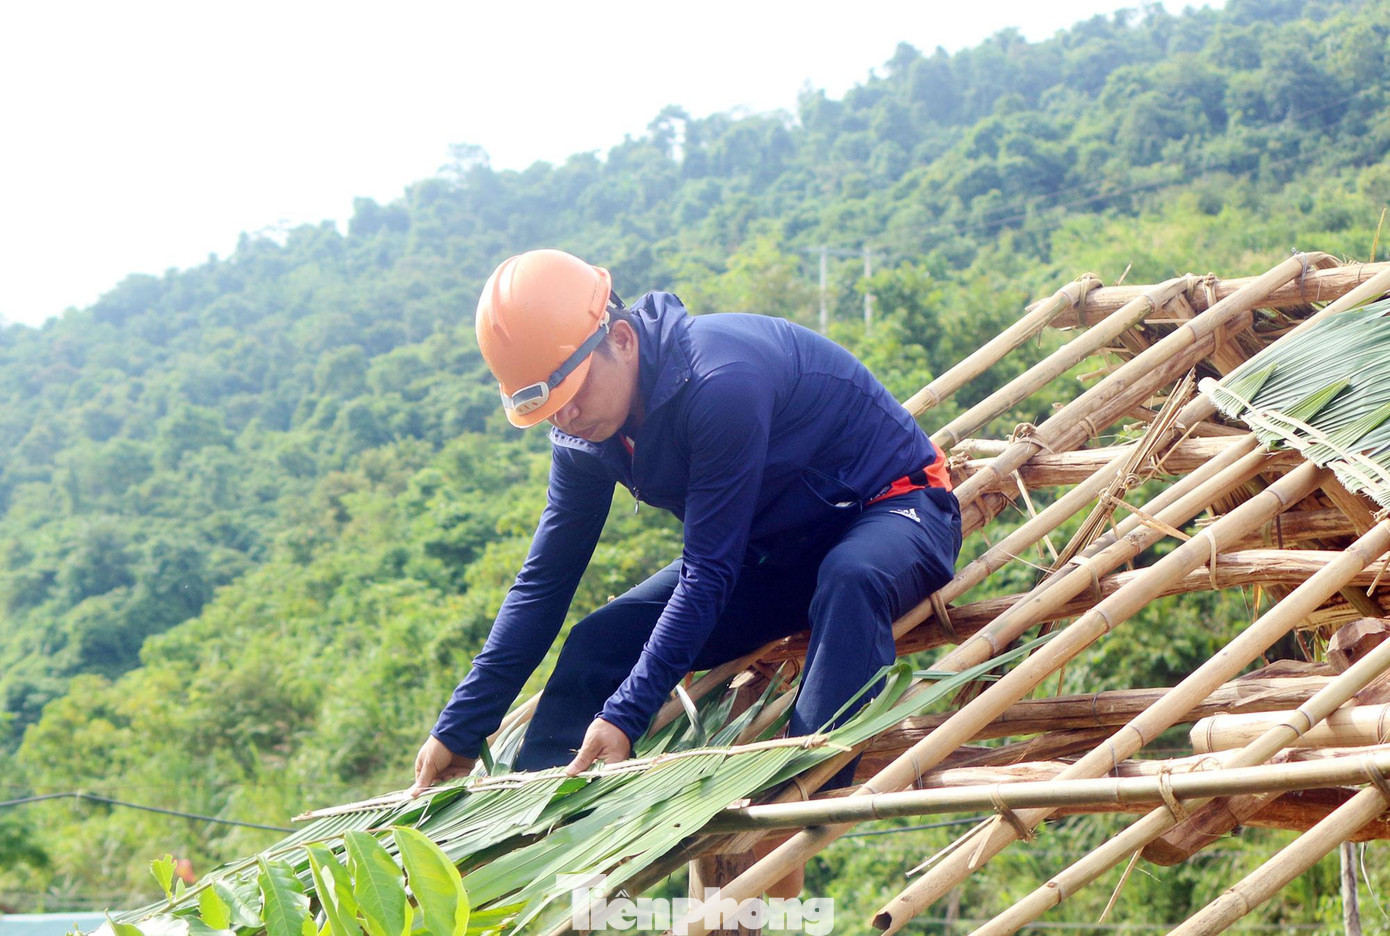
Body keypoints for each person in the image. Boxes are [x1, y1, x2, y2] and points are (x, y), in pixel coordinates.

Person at [410, 248, 961, 800]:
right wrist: (459, 727)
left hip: (893, 511)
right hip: (774, 554)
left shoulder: (719, 381)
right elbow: (545, 582)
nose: (565, 416)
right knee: (598, 641)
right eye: (549, 408)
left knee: (851, 578)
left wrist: (626, 715)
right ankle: (539, 811)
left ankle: (803, 794)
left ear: (621, 340)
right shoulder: (583, 434)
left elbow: (707, 572)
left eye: (573, 392)